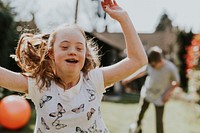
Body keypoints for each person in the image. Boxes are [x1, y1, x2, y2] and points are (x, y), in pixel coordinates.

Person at [0, 0, 148, 132]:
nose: (72, 52)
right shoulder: (39, 85)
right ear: (51, 53)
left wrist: (124, 18)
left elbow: (138, 60)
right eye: (64, 47)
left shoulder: (94, 80)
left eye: (79, 48)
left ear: (85, 55)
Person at [123, 46, 180, 133]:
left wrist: (168, 93)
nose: (152, 67)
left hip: (160, 96)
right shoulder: (150, 65)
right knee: (140, 114)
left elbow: (176, 82)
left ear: (160, 61)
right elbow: (141, 72)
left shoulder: (170, 68)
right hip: (147, 93)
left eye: (153, 65)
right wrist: (129, 78)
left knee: (159, 121)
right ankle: (137, 129)